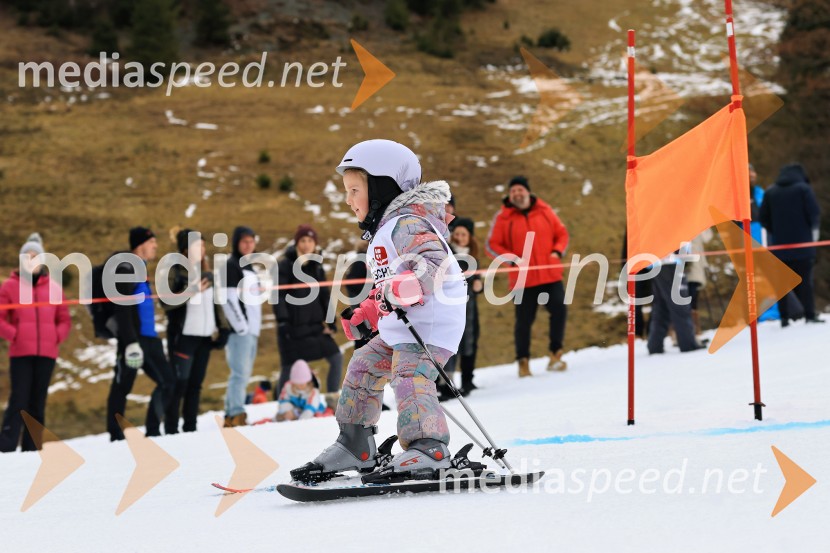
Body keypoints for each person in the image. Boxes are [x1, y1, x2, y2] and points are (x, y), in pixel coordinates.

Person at [291, 139, 467, 482]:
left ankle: (429, 447)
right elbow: (387, 285)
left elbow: (434, 265)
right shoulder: (384, 231)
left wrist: (404, 289)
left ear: (381, 188)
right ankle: (355, 444)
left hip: (431, 326)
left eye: (354, 190)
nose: (348, 200)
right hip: (404, 327)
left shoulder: (408, 224)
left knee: (409, 374)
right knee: (363, 366)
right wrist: (370, 311)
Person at [486, 175, 570, 377]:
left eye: (520, 190)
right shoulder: (503, 217)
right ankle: (523, 362)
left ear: (527, 192)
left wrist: (557, 252)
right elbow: (492, 245)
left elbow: (562, 234)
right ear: (509, 195)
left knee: (559, 310)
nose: (517, 194)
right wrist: (512, 260)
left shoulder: (545, 210)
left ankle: (556, 354)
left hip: (550, 274)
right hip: (522, 280)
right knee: (524, 322)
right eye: (513, 191)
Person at [0, 234, 71, 452]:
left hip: (47, 353)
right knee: (19, 399)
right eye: (28, 256)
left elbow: (64, 319)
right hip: (21, 352)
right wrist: (15, 334)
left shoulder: (54, 288)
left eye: (36, 256)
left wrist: (56, 336)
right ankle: (6, 448)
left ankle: (32, 449)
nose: (32, 261)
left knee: (38, 402)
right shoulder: (10, 286)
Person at [106, 227, 175, 440]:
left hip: (150, 339)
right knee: (122, 386)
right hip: (134, 340)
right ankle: (116, 435)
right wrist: (130, 342)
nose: (155, 246)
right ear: (140, 244)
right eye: (152, 242)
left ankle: (153, 431)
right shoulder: (126, 268)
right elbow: (122, 308)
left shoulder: (140, 268)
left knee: (168, 382)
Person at [161, 229, 230, 434]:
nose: (201, 249)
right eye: (196, 245)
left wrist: (224, 329)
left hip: (204, 338)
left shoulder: (208, 274)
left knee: (195, 385)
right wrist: (191, 291)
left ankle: (190, 428)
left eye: (202, 245)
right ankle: (171, 429)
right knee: (179, 385)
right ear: (185, 249)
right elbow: (165, 302)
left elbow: (217, 304)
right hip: (183, 338)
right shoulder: (175, 272)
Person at [273, 224, 343, 394]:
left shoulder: (316, 266)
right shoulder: (285, 265)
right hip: (292, 329)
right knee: (288, 369)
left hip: (315, 328)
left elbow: (324, 295)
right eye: (303, 240)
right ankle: (281, 403)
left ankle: (332, 397)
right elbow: (278, 296)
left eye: (310, 241)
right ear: (297, 243)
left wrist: (330, 321)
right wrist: (283, 322)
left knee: (336, 357)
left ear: (315, 244)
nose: (306, 244)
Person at [760, 163, 823, 326]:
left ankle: (785, 318)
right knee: (806, 282)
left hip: (779, 247)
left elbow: (763, 218)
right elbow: (814, 213)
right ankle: (809, 314)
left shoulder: (770, 192)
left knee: (782, 284)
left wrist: (775, 231)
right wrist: (813, 234)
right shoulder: (803, 189)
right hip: (803, 246)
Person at [221, 226, 263, 427]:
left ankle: (231, 414)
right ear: (236, 242)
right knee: (239, 373)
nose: (248, 245)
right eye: (244, 241)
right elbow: (228, 299)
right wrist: (241, 327)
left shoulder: (249, 267)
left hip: (252, 330)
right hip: (241, 331)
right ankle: (236, 413)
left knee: (243, 373)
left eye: (251, 241)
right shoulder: (231, 266)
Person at [439, 217, 482, 399]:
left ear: (470, 237)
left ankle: (467, 380)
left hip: (469, 306)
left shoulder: (473, 255)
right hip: (450, 306)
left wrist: (479, 284)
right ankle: (445, 384)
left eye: (464, 234)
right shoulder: (448, 253)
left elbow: (476, 279)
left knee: (469, 341)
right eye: (457, 234)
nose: (460, 237)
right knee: (450, 344)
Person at [647, 249, 704, 354]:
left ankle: (655, 345)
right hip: (670, 261)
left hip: (657, 262)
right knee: (680, 304)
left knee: (662, 307)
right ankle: (688, 344)